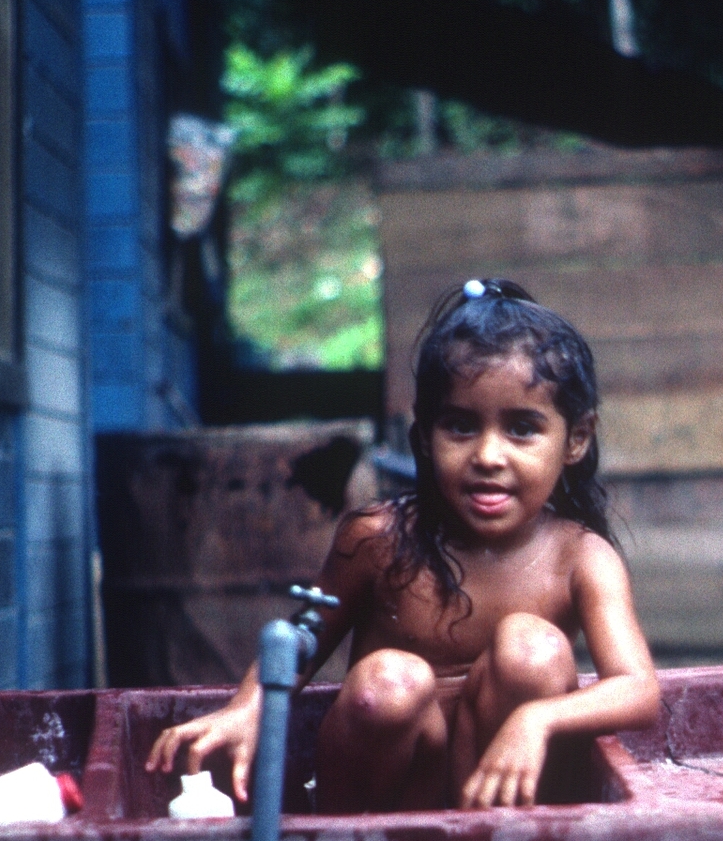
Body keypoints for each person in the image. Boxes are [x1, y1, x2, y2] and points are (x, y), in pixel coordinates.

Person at [146, 278, 660, 811]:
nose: (487, 455)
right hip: (382, 798)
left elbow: (638, 689)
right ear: (423, 437)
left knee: (534, 650)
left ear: (576, 438)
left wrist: (538, 717)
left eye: (522, 429)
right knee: (392, 681)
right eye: (460, 426)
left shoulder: (579, 556)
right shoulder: (379, 539)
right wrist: (249, 707)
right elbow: (301, 639)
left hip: (502, 799)